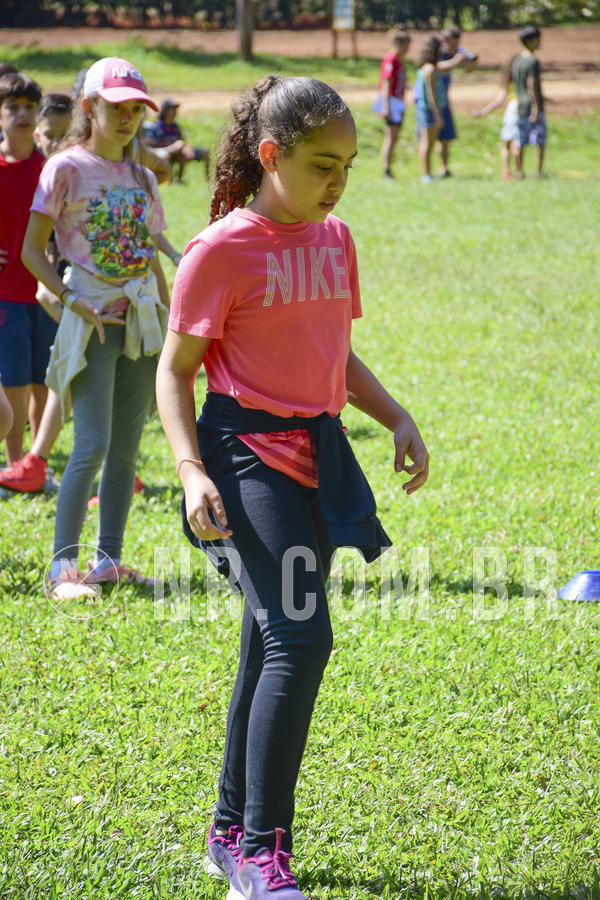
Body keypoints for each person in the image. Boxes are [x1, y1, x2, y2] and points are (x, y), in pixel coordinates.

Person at [156, 74, 429, 900]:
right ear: (270, 156)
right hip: (242, 456)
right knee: (300, 638)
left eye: (347, 164)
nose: (337, 181)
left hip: (320, 451)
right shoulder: (219, 250)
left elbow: (333, 357)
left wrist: (396, 416)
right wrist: (189, 468)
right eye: (320, 164)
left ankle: (230, 831)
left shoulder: (334, 239)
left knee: (268, 637)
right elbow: (175, 373)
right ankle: (260, 857)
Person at [21, 57, 170, 599]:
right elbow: (32, 251)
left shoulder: (142, 176)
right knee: (92, 444)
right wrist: (70, 300)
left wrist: (170, 314)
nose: (128, 118)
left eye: (136, 109)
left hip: (140, 319)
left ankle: (108, 561)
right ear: (89, 107)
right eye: (117, 107)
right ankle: (63, 569)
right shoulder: (64, 168)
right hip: (92, 322)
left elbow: (151, 253)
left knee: (128, 446)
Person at [0, 72, 55, 467]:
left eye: (30, 108)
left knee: (43, 382)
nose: (22, 114)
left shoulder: (51, 169)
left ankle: (35, 465)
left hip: (48, 293)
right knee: (14, 385)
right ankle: (14, 464)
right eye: (12, 108)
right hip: (7, 297)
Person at [435, 25, 477, 178]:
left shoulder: (456, 53)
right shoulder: (437, 53)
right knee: (430, 138)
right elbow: (439, 67)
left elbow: (469, 69)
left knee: (445, 138)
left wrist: (470, 62)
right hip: (431, 101)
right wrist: (457, 60)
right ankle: (426, 172)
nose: (455, 46)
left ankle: (444, 168)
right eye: (452, 43)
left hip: (444, 101)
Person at [472, 56, 522, 180]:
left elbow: (499, 100)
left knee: (506, 144)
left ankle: (507, 172)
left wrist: (482, 112)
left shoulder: (509, 82)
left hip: (513, 111)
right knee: (517, 143)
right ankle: (519, 170)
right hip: (523, 110)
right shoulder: (525, 80)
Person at [373, 27, 410, 179]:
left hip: (398, 102)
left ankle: (389, 167)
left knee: (394, 136)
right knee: (390, 136)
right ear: (398, 44)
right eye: (406, 46)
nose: (408, 50)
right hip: (392, 103)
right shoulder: (391, 59)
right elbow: (387, 82)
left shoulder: (399, 61)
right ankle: (386, 170)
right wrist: (386, 105)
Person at [145, 98, 210, 182]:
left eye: (175, 110)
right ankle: (178, 180)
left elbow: (182, 140)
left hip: (180, 151)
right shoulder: (158, 127)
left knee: (204, 152)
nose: (174, 112)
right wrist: (177, 146)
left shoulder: (175, 127)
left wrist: (186, 147)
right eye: (171, 110)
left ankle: (208, 180)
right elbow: (154, 144)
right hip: (167, 152)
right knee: (180, 147)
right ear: (165, 111)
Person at [512, 25, 546, 177]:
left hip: (520, 105)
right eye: (537, 39)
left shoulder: (517, 61)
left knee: (520, 140)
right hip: (532, 105)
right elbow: (532, 85)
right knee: (540, 140)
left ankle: (519, 171)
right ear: (530, 41)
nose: (540, 42)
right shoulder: (533, 61)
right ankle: (538, 172)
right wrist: (536, 107)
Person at [415, 36, 445, 182]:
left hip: (423, 108)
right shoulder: (431, 69)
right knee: (427, 143)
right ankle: (426, 174)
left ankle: (427, 173)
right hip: (429, 110)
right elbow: (431, 94)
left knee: (426, 142)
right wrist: (438, 114)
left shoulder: (424, 67)